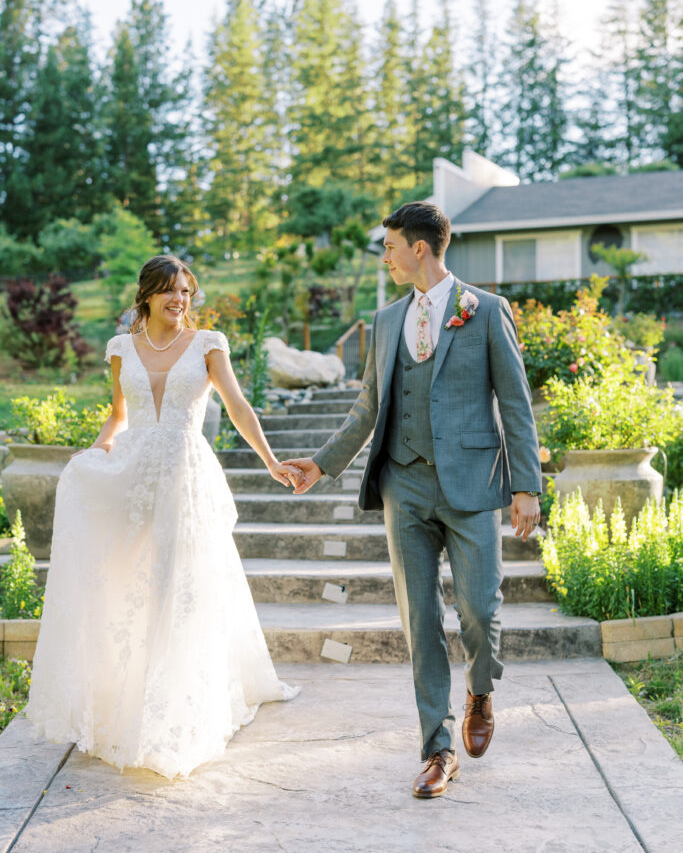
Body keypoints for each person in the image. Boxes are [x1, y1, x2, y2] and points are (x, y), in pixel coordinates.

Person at [284, 203, 542, 798]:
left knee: (480, 608)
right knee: (419, 619)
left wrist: (525, 487)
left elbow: (516, 404)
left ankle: (481, 689)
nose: (386, 255)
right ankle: (438, 747)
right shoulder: (384, 320)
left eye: (390, 245)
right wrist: (320, 465)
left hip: (474, 484)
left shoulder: (486, 310)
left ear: (419, 248)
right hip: (405, 486)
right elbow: (368, 410)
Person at [26, 255, 301, 779]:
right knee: (129, 583)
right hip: (130, 473)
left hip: (184, 474)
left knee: (175, 586)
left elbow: (239, 406)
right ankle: (125, 697)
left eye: (186, 291)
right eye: (170, 290)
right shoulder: (120, 349)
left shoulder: (208, 344)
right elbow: (117, 414)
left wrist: (270, 462)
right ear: (148, 295)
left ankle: (172, 714)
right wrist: (96, 449)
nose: (180, 300)